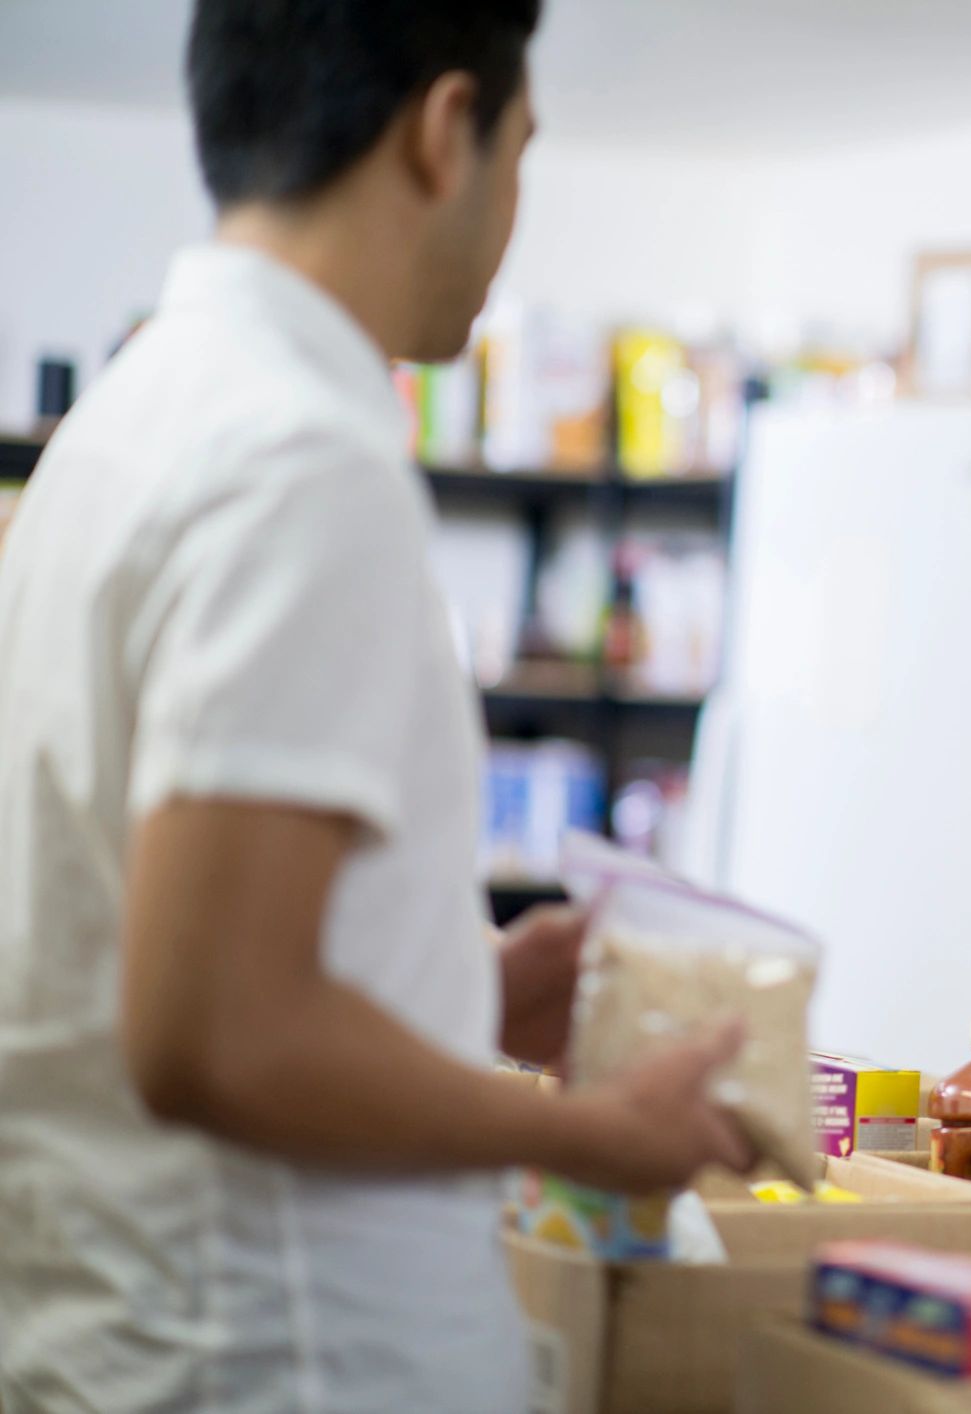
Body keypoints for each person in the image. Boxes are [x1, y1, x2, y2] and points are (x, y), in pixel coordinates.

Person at [0, 4, 755, 1410]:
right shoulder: (298, 458)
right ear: (442, 131)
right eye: (521, 150)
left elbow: (145, 930)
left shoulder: (123, 421)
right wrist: (594, 1132)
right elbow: (217, 1032)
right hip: (276, 1362)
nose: (516, 209)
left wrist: (464, 988)